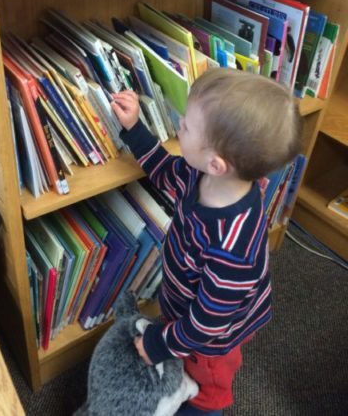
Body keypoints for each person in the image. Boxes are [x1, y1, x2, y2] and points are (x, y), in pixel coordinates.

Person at [111, 68, 302, 415]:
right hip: (189, 306)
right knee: (185, 344)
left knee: (206, 388)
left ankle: (199, 407)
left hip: (213, 339)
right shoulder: (198, 173)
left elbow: (206, 324)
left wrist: (158, 344)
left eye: (185, 126)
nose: (179, 123)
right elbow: (165, 171)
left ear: (216, 164)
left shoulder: (233, 249)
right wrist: (135, 129)